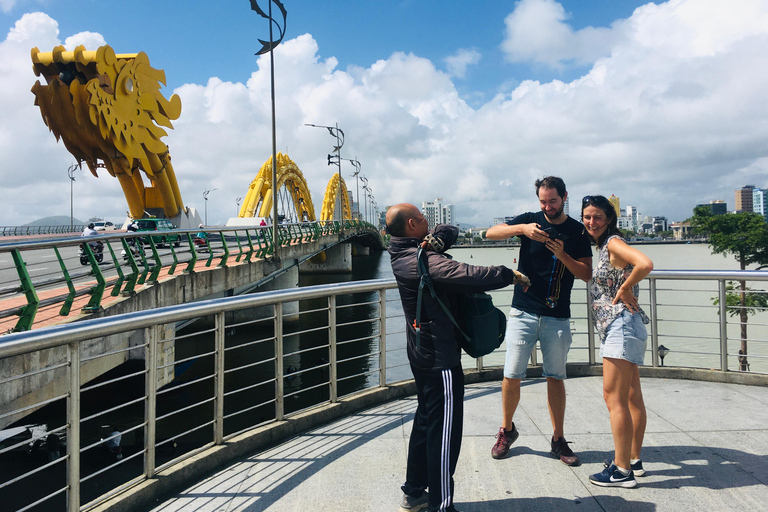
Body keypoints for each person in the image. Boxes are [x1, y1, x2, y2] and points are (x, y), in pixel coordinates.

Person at [387, 203, 529, 512]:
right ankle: (442, 505)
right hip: (440, 360)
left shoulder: (404, 250)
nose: (430, 223)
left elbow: (450, 231)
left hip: (422, 352)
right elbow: (464, 273)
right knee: (444, 435)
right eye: (424, 220)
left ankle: (414, 492)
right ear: (412, 224)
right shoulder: (418, 260)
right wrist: (507, 274)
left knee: (426, 421)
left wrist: (436, 238)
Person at [485, 176, 592, 465]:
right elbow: (490, 234)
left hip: (557, 316)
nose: (548, 206)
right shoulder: (530, 221)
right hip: (523, 310)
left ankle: (558, 439)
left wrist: (563, 254)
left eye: (553, 201)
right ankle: (506, 430)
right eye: (543, 201)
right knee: (511, 374)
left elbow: (586, 273)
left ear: (565, 197)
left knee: (555, 377)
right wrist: (521, 229)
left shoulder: (577, 231)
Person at [581, 194, 653, 488]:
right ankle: (633, 459)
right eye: (587, 217)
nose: (591, 222)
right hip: (626, 325)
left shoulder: (612, 243)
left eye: (598, 216)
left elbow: (645, 263)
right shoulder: (603, 246)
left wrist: (624, 287)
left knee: (614, 397)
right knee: (632, 395)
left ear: (609, 219)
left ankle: (621, 470)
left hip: (620, 326)